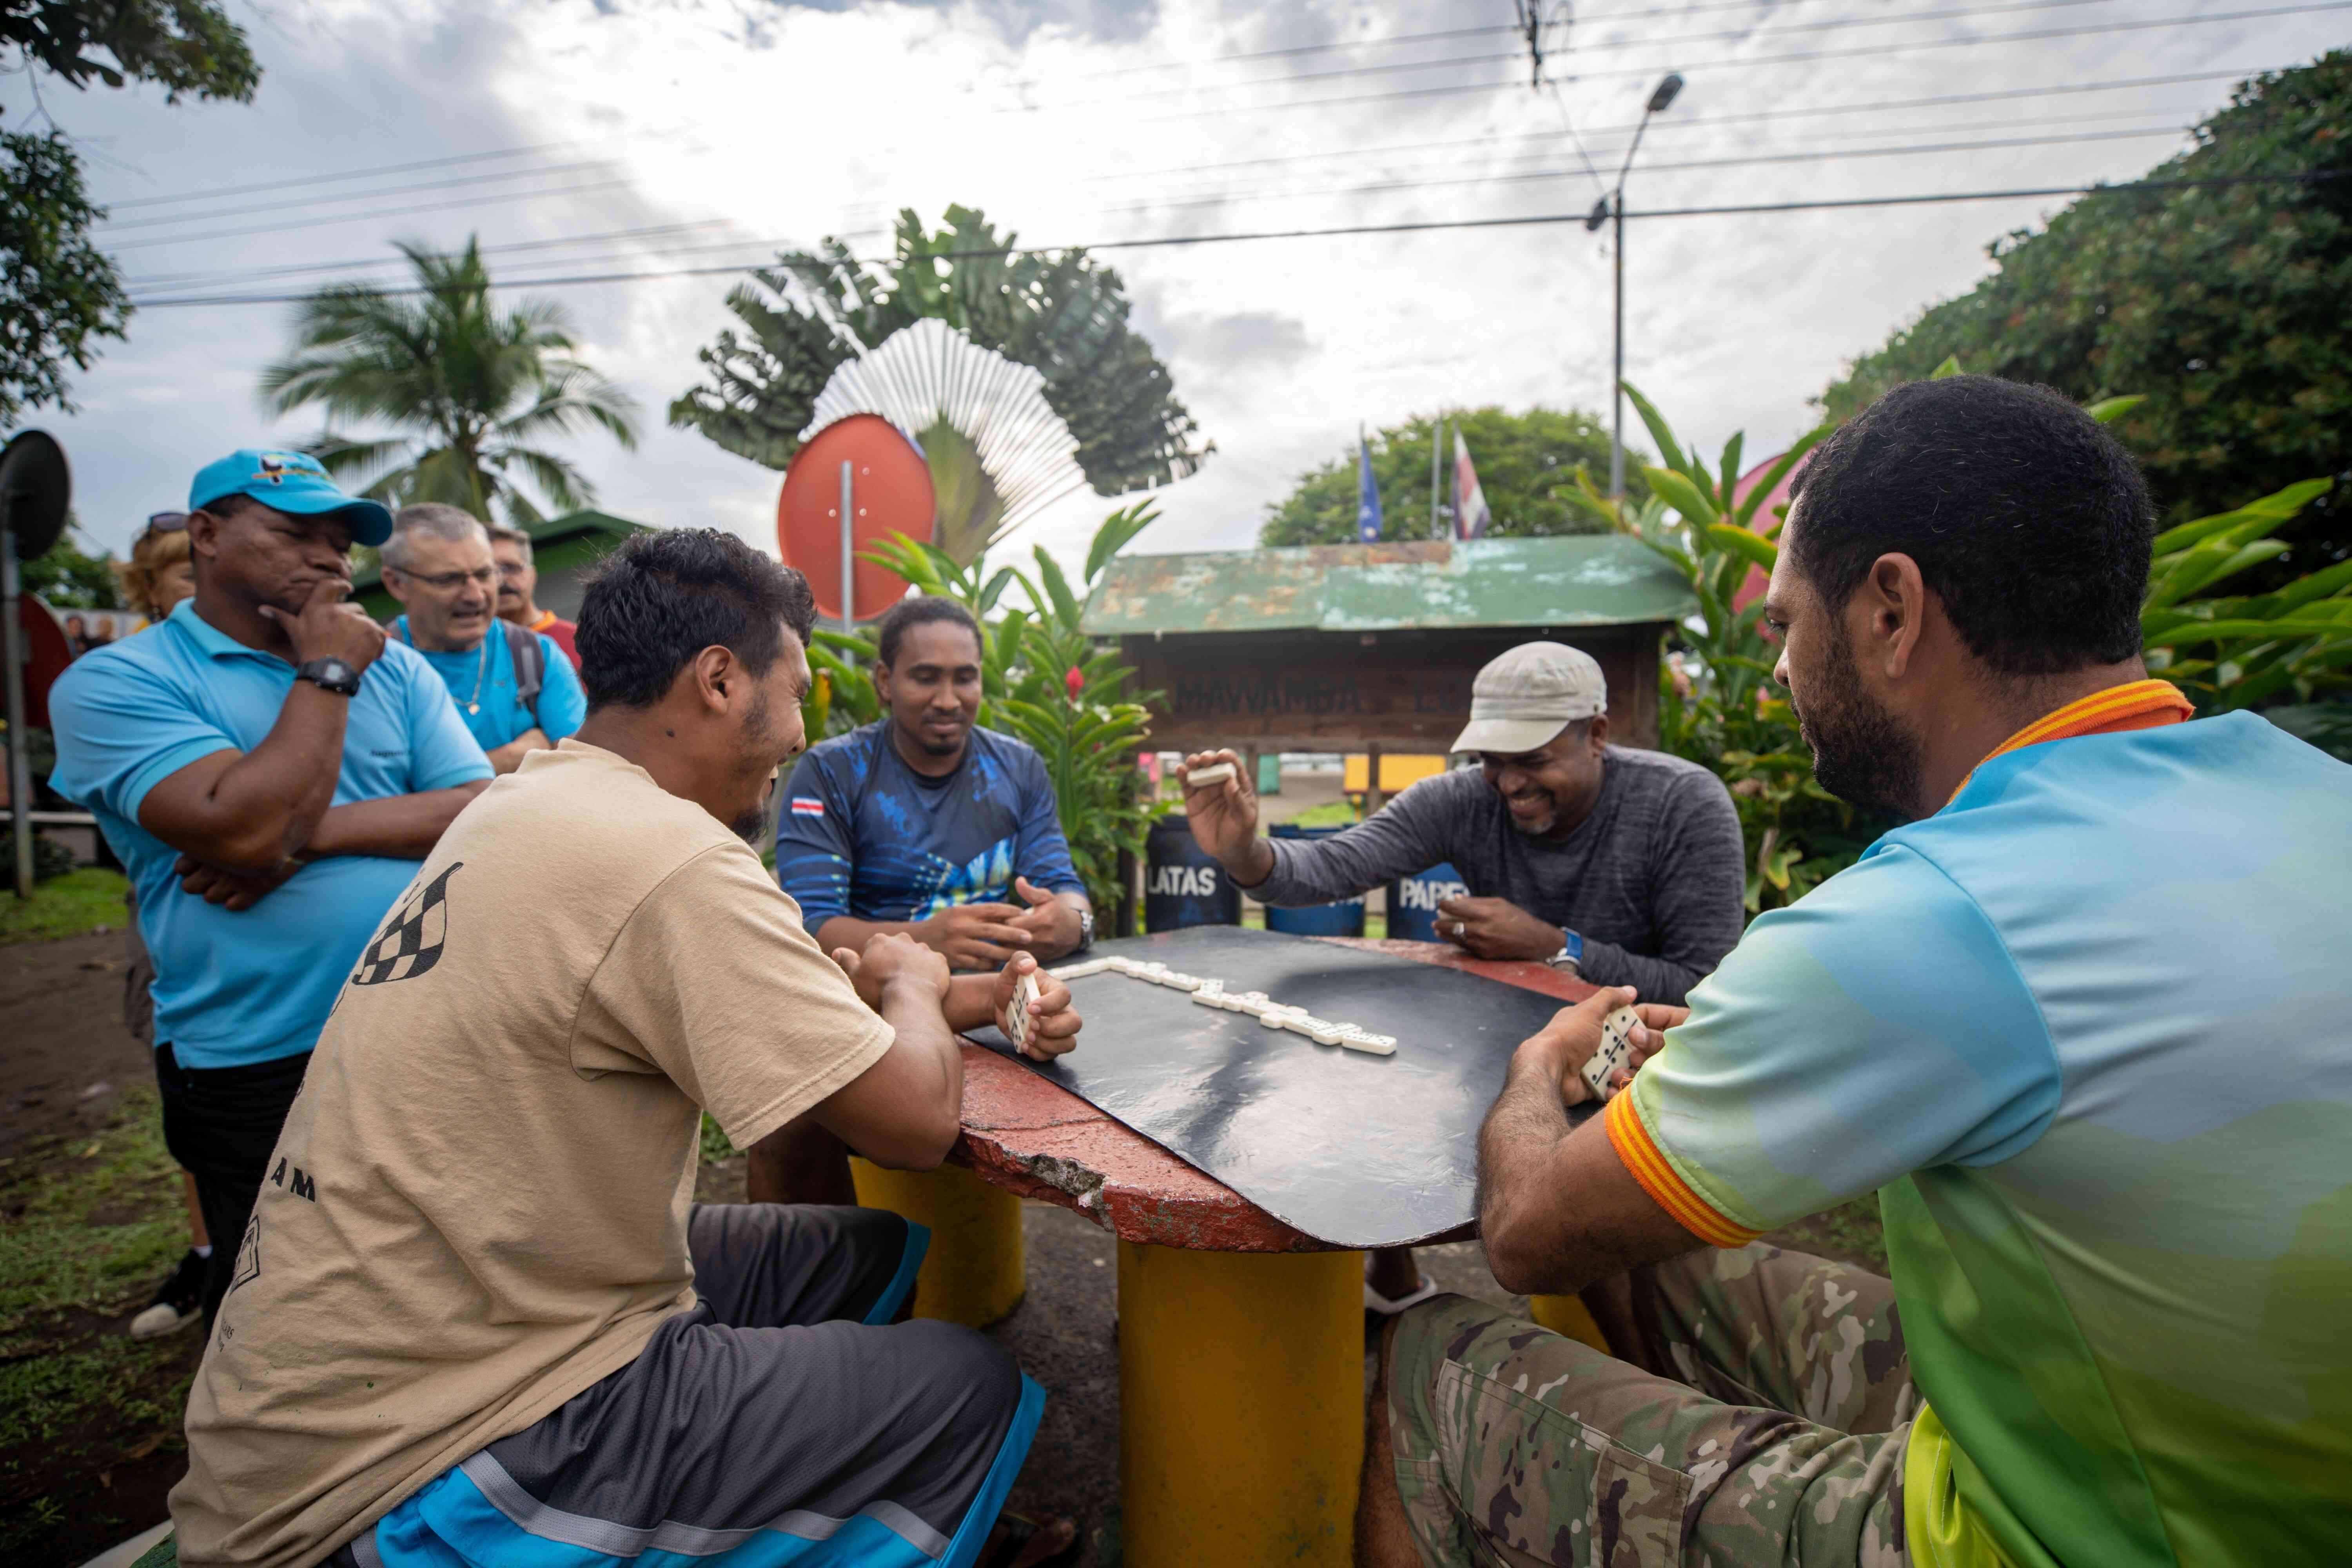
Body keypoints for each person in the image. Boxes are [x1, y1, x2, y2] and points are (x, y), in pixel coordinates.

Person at [1358, 376, 2352, 1568]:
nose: (1776, 666)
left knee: (1426, 1357)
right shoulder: (2310, 796)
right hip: (2211, 1450)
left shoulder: (1927, 913)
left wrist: (1539, 1065)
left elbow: (1522, 1231)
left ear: (1888, 609)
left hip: (2066, 1533)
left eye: (1782, 623)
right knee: (1661, 1246)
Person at [172, 528, 1083, 1568]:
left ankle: (788, 1494)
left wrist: (958, 997)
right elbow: (916, 1124)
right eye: (791, 694)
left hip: (360, 1361)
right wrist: (917, 983)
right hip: (410, 1469)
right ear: (718, 681)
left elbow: (788, 995)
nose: (793, 733)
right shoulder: (673, 855)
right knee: (964, 1384)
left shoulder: (534, 800)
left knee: (860, 1250)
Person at [46, 449, 494, 1328]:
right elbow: (243, 828)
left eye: (339, 542)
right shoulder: (118, 681)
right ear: (207, 535)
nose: (329, 559)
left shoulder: (394, 668)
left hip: (423, 1024)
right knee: (284, 1310)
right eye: (297, 534)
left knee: (437, 1279)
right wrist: (326, 672)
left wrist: (306, 838)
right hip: (256, 1055)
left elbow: (483, 808)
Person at [1178, 642, 1745, 1008]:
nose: (1509, 785)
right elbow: (1332, 868)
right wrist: (1242, 851)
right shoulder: (1462, 799)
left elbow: (1705, 988)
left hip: (1642, 1070)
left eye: (1532, 760)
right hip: (1504, 1040)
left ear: (1596, 735)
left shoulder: (1683, 805)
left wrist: (1555, 947)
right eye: (1492, 761)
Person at [776, 595, 1093, 970]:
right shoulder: (832, 773)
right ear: (885, 681)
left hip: (1003, 996)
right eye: (926, 679)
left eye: (965, 678)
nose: (948, 700)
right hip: (878, 1004)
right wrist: (928, 938)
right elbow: (811, 927)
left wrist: (1072, 922)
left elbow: (1063, 887)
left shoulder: (1019, 767)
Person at [105, 508, 215, 1340]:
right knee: (200, 1112)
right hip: (189, 936)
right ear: (155, 587)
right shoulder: (125, 678)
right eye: (184, 577)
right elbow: (224, 819)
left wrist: (285, 835)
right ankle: (207, 1255)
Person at [383, 503, 586, 772]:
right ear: (397, 584)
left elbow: (579, 767)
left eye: (484, 574)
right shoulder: (375, 667)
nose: (475, 595)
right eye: (448, 579)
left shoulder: (536, 654)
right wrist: (520, 753)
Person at [485, 516, 580, 668]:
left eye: (511, 567)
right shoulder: (466, 653)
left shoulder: (580, 643)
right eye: (488, 571)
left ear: (532, 575)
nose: (501, 579)